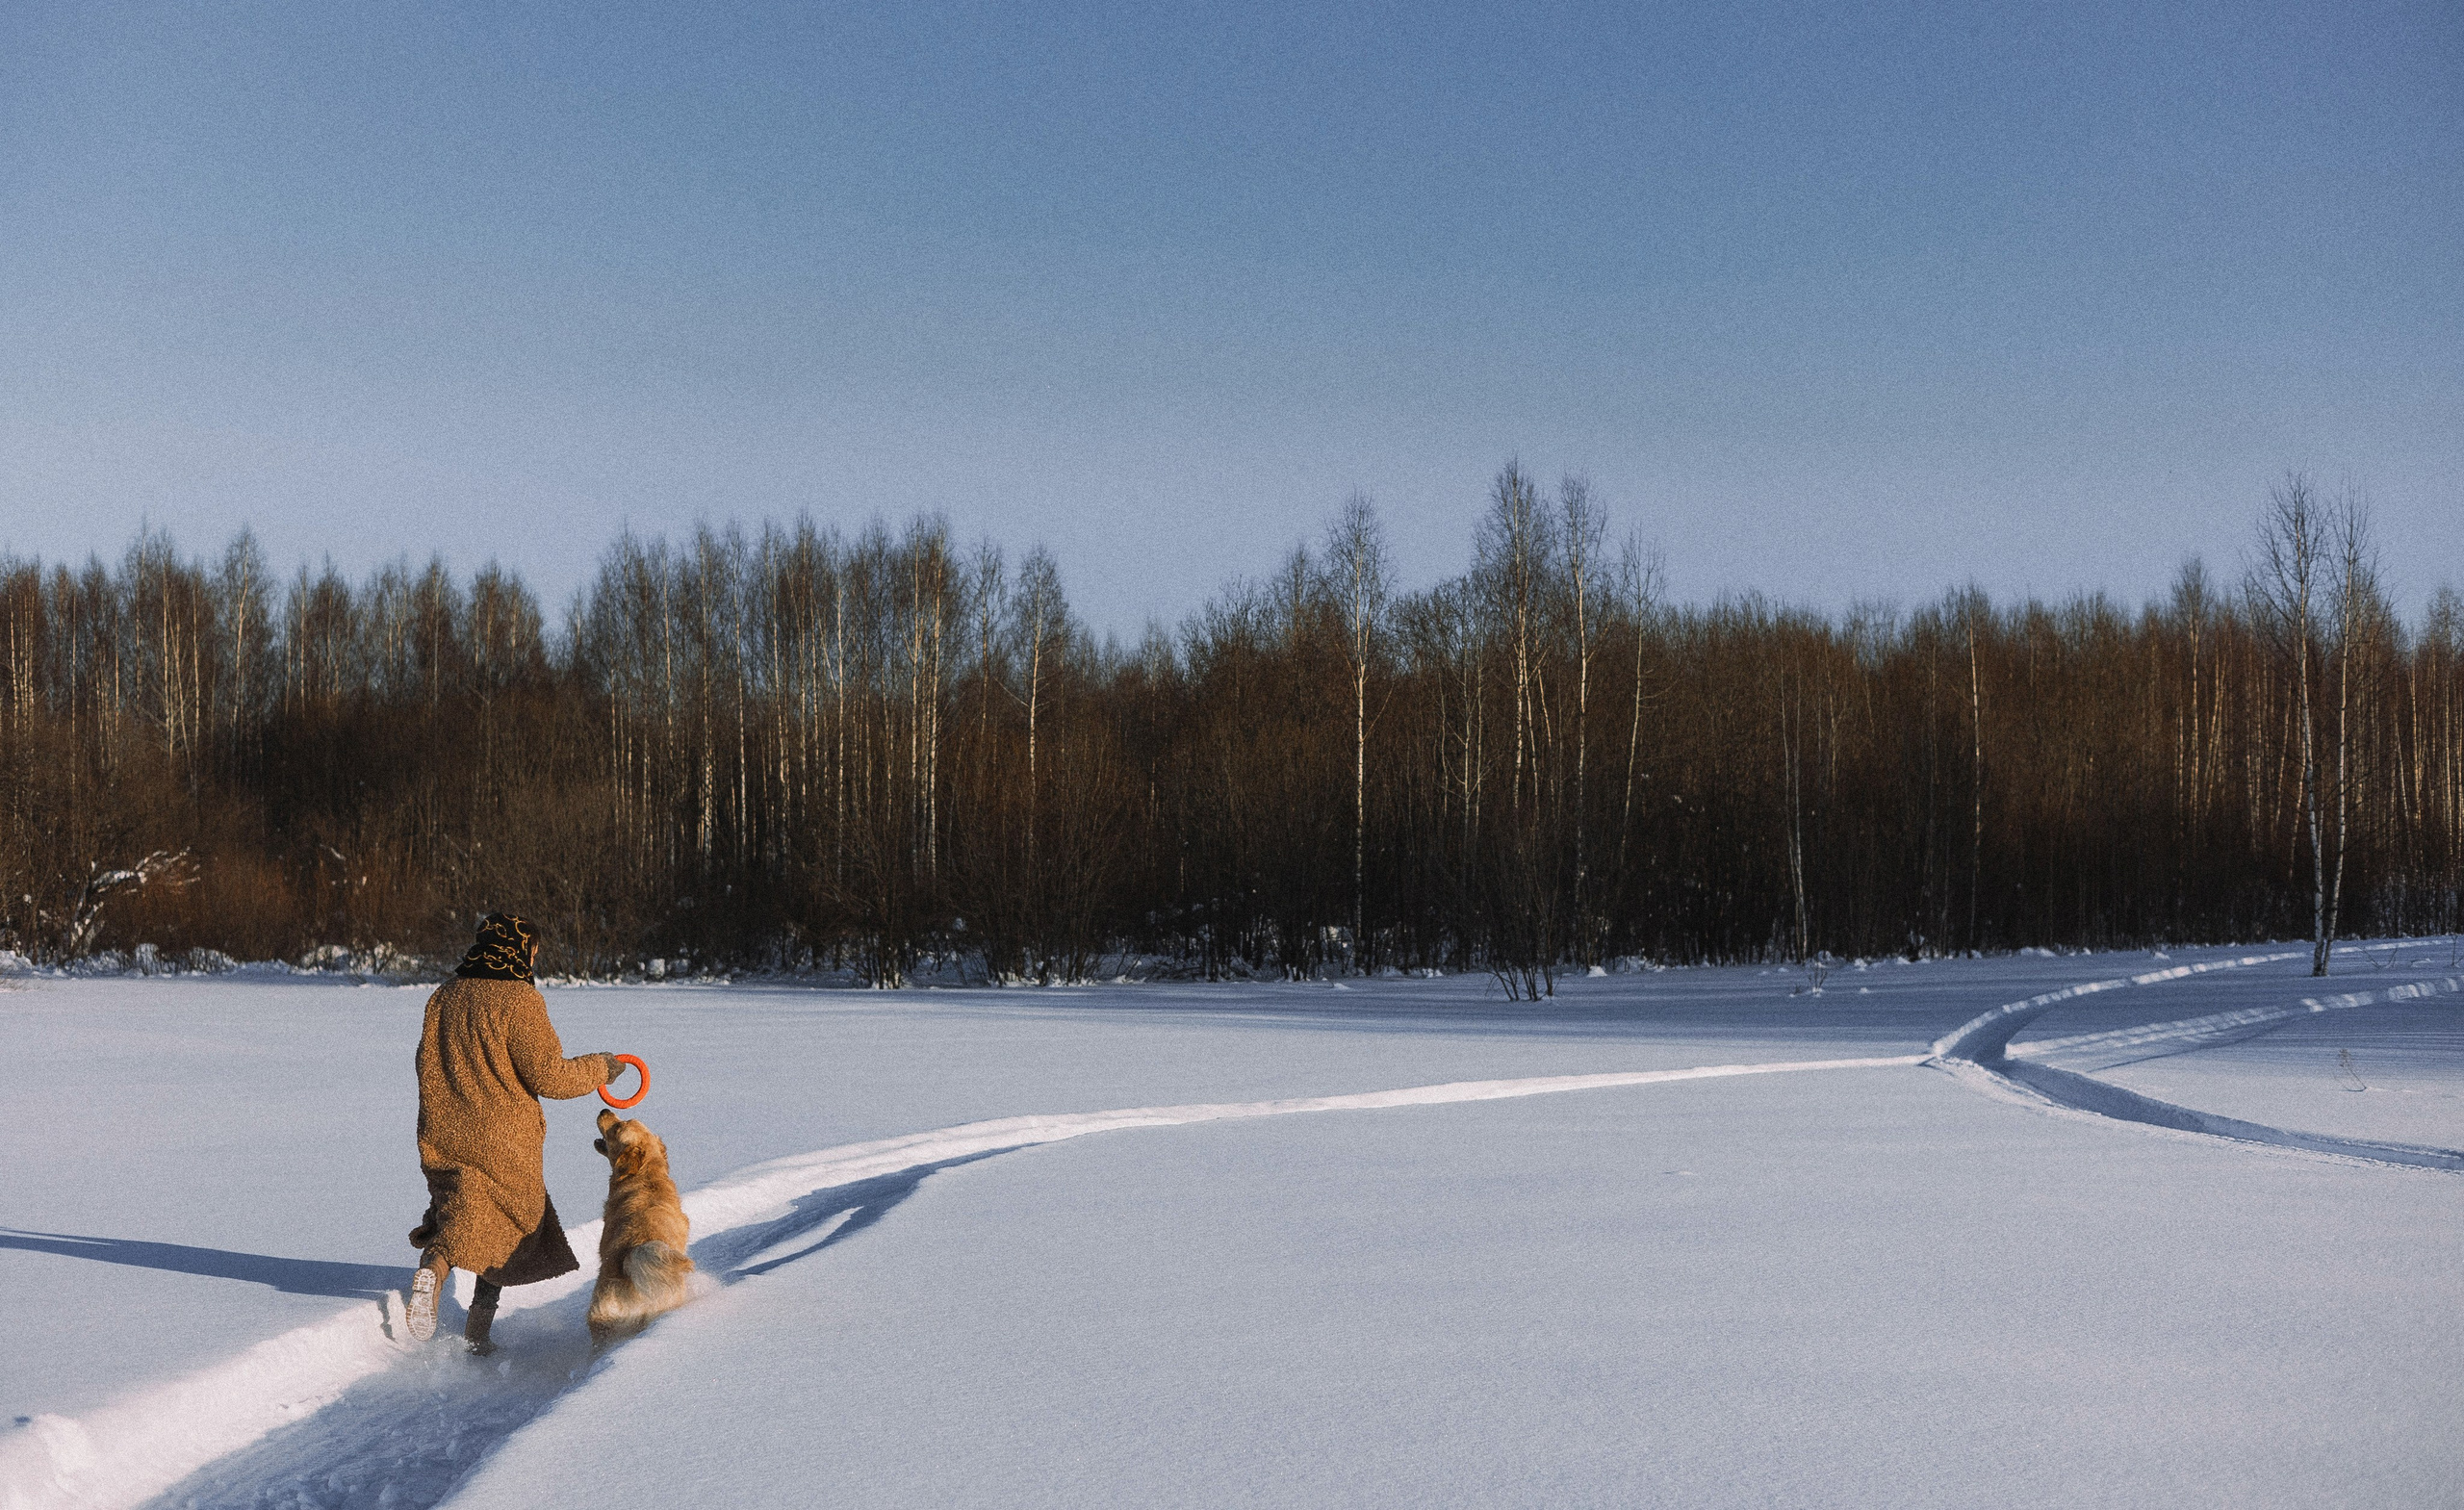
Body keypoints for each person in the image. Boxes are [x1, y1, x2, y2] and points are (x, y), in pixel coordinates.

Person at [405, 912, 625, 1353]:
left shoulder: (443, 996)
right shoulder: (519, 1000)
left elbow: (425, 1064)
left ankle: (438, 1269)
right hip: (505, 1137)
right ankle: (476, 1331)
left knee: (461, 1213)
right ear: (520, 949)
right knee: (509, 1230)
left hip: (446, 1130)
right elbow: (548, 1075)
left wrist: (439, 1113)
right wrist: (603, 1066)